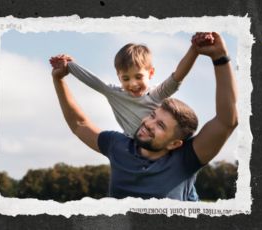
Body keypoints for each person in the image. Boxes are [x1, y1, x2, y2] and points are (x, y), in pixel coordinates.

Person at [51, 32, 238, 201]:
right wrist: (59, 79)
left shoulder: (186, 159)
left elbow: (226, 121)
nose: (148, 123)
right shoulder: (118, 146)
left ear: (175, 143)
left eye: (161, 126)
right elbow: (79, 124)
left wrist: (219, 58)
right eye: (152, 115)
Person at [49, 32, 214, 138]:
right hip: (134, 148)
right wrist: (68, 65)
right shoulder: (115, 94)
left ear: (150, 73)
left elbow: (178, 76)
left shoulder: (156, 95)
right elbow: (91, 79)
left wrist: (195, 48)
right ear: (118, 77)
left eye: (138, 76)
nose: (133, 83)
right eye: (126, 78)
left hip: (165, 148)